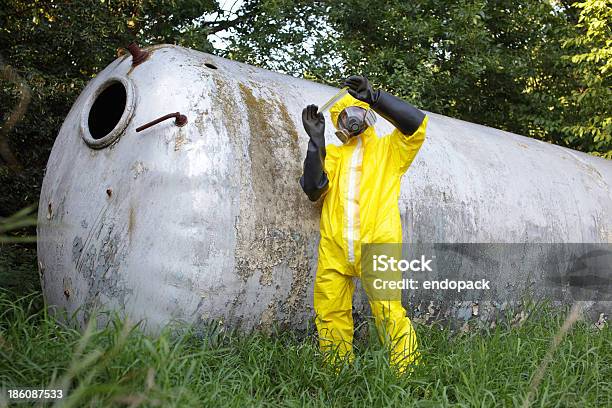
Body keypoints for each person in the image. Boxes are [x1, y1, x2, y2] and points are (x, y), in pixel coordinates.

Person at [300, 75, 428, 373]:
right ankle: (337, 373)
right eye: (344, 115)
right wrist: (315, 141)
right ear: (337, 122)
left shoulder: (390, 151)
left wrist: (376, 97)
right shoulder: (332, 156)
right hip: (335, 248)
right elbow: (313, 188)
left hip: (377, 244)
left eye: (358, 111)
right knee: (330, 311)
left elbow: (417, 125)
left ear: (368, 113)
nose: (353, 120)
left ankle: (406, 375)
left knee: (388, 311)